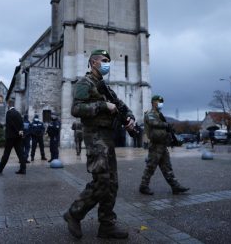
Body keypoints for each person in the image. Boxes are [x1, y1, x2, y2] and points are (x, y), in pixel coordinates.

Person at [64, 49, 134, 239]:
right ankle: (74, 213)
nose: (107, 64)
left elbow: (121, 106)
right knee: (102, 181)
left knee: (112, 183)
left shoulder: (105, 87)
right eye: (104, 60)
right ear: (93, 62)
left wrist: (129, 118)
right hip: (94, 136)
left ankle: (107, 225)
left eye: (109, 61)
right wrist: (103, 106)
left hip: (107, 137)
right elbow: (76, 109)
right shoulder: (84, 83)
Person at [139, 95, 189, 195]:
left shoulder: (159, 114)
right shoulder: (150, 114)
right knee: (151, 166)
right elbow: (154, 123)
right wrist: (167, 125)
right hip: (155, 145)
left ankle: (175, 186)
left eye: (161, 102)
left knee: (167, 167)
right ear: (153, 102)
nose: (161, 104)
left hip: (162, 144)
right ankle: (143, 186)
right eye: (158, 101)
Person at [0, 100, 26, 174]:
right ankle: (23, 169)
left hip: (10, 137)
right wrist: (20, 132)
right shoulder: (18, 113)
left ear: (8, 105)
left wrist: (16, 131)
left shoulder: (9, 113)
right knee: (20, 153)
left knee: (6, 153)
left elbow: (11, 124)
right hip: (18, 137)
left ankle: (0, 168)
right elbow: (22, 124)